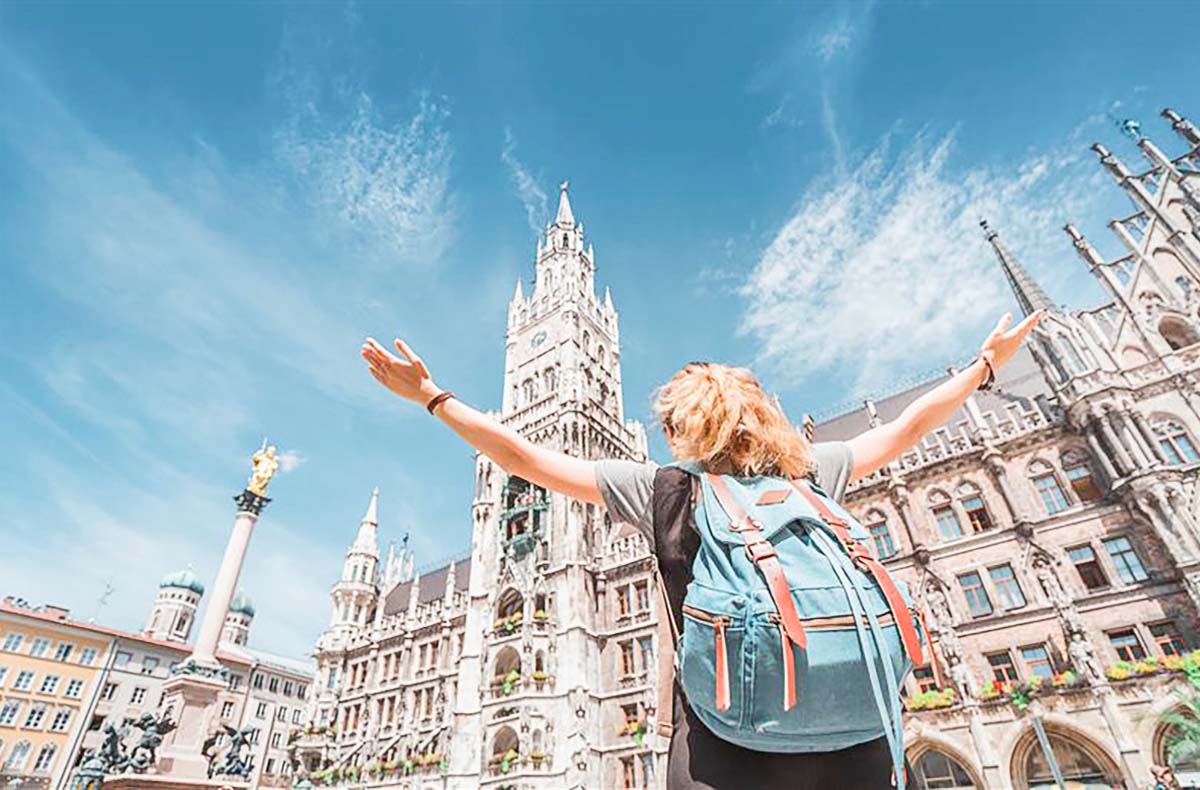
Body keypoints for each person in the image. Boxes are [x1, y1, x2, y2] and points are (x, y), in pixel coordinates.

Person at [360, 310, 1041, 790]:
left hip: (726, 743)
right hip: (856, 734)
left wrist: (432, 396)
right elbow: (908, 426)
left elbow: (527, 459)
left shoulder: (663, 490)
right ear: (766, 416)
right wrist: (984, 366)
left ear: (680, 429)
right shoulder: (814, 473)